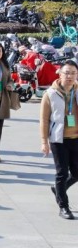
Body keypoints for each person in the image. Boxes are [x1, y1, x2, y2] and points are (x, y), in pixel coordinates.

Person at [41, 61, 78, 219]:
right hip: (58, 139)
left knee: (76, 173)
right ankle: (63, 206)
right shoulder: (50, 93)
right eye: (66, 73)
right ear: (59, 74)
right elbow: (44, 119)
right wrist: (44, 142)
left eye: (73, 73)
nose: (69, 76)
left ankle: (58, 189)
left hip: (76, 138)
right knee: (62, 173)